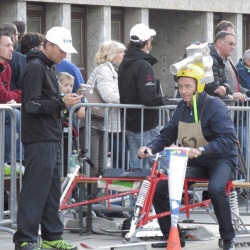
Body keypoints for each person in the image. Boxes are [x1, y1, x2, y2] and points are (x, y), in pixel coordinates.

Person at [138, 64, 237, 250]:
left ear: (198, 86)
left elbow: (228, 139)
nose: (183, 91)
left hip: (220, 160)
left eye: (188, 86)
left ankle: (227, 238)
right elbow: (167, 134)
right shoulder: (181, 108)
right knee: (159, 189)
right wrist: (150, 148)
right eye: (180, 86)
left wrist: (201, 150)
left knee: (216, 188)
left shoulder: (215, 106)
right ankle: (171, 235)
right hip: (195, 161)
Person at [13, 26, 82, 250]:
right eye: (61, 50)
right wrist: (62, 103)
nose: (65, 55)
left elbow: (40, 103)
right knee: (36, 190)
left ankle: (52, 236)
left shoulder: (48, 67)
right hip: (39, 137)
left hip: (49, 135)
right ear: (48, 46)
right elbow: (31, 105)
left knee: (51, 189)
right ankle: (25, 239)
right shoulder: (35, 68)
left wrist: (61, 101)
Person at [118, 23, 177, 170]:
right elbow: (149, 98)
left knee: (137, 170)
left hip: (131, 123)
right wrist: (168, 101)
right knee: (161, 168)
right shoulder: (143, 65)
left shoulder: (125, 64)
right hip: (146, 125)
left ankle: (138, 194)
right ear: (148, 41)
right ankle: (163, 193)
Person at [79, 40, 126, 177]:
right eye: (121, 52)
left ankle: (98, 198)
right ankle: (91, 198)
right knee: (92, 167)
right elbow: (109, 96)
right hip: (93, 122)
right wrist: (128, 98)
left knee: (100, 168)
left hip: (101, 121)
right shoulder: (104, 70)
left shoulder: (113, 70)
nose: (124, 54)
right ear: (111, 54)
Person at [59, 71, 86, 176]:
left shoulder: (72, 97)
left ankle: (71, 185)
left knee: (71, 161)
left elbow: (82, 99)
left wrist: (82, 106)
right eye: (65, 85)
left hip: (71, 136)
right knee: (62, 162)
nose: (69, 88)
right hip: (60, 135)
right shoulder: (58, 97)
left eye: (71, 85)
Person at [205, 31, 236, 98]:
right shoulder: (209, 58)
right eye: (230, 44)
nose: (233, 47)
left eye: (234, 45)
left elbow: (226, 82)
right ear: (219, 43)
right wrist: (224, 91)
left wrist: (224, 88)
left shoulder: (220, 59)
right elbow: (214, 89)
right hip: (197, 105)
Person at [0, 22, 26, 91]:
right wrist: (22, 95)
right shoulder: (19, 58)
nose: (11, 49)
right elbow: (3, 95)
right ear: (13, 36)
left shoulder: (7, 66)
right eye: (17, 35)